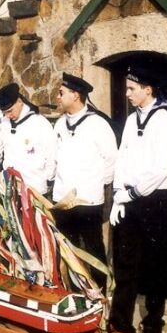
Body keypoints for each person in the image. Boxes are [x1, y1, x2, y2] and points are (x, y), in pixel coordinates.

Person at [108, 61, 167, 333]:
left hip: (155, 200)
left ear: (147, 90)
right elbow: (122, 157)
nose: (127, 93)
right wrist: (118, 194)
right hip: (128, 198)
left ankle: (153, 324)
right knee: (126, 263)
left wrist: (133, 193)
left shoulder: (164, 120)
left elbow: (161, 168)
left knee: (155, 264)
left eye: (132, 88)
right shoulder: (131, 119)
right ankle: (120, 323)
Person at [52, 72, 117, 291]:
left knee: (92, 249)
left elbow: (111, 161)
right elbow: (55, 158)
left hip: (88, 200)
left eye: (62, 93)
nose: (58, 97)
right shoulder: (60, 125)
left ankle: (99, 293)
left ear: (76, 95)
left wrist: (94, 185)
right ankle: (74, 292)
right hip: (62, 199)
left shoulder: (98, 124)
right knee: (67, 249)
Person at [0, 82, 56, 195]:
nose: (8, 115)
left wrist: (48, 178)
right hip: (11, 189)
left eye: (10, 111)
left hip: (34, 187)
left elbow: (51, 154)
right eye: (4, 112)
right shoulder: (4, 123)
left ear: (20, 102)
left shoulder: (39, 123)